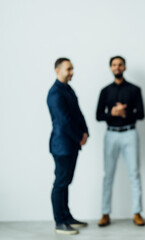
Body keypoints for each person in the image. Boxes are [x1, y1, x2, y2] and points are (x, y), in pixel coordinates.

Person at [96, 56, 145, 227]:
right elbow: (98, 115)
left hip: (129, 133)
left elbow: (141, 114)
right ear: (111, 68)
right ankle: (105, 213)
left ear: (124, 67)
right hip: (111, 135)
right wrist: (113, 114)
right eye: (114, 65)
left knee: (134, 173)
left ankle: (137, 212)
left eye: (120, 64)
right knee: (108, 175)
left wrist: (125, 114)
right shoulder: (105, 91)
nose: (117, 67)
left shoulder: (134, 89)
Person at [47, 58, 89, 235]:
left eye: (72, 69)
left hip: (71, 144)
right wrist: (79, 137)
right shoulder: (55, 92)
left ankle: (67, 216)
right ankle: (60, 222)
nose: (72, 72)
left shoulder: (67, 89)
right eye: (68, 69)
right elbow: (64, 121)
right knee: (61, 183)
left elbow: (77, 113)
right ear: (57, 70)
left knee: (66, 182)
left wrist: (85, 131)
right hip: (62, 145)